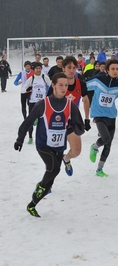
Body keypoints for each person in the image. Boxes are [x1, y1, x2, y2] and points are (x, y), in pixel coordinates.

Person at [14, 72, 84, 218]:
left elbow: (80, 128)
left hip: (59, 146)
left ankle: (32, 205)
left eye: (66, 85)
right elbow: (28, 121)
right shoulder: (43, 104)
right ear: (53, 85)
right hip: (43, 145)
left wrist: (73, 125)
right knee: (54, 168)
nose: (64, 88)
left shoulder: (70, 105)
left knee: (51, 180)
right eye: (60, 85)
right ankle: (39, 186)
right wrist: (20, 139)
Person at [87, 59, 118, 177]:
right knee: (105, 137)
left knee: (108, 145)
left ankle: (99, 169)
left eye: (117, 69)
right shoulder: (99, 80)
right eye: (112, 69)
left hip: (111, 116)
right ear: (107, 70)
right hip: (99, 114)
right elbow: (84, 86)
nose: (115, 71)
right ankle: (95, 147)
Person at [47, 56, 90, 176]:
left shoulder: (80, 83)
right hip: (55, 122)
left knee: (76, 151)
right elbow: (46, 102)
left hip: (71, 122)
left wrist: (87, 119)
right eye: (69, 67)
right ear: (63, 69)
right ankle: (47, 182)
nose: (72, 70)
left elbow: (86, 100)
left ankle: (66, 159)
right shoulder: (56, 83)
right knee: (52, 155)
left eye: (74, 67)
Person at [23, 62, 52, 144]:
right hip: (33, 102)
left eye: (39, 68)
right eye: (37, 69)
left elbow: (51, 85)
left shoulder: (44, 77)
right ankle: (30, 137)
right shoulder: (31, 79)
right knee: (30, 121)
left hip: (43, 102)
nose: (38, 70)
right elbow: (24, 88)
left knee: (44, 121)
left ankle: (44, 137)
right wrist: (28, 91)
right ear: (34, 70)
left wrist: (49, 95)